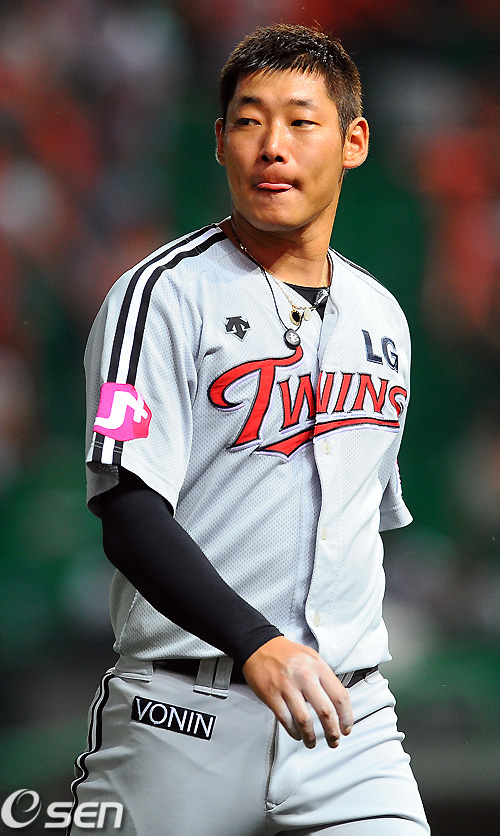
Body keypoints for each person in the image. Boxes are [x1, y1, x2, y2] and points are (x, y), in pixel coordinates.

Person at [71, 23, 430, 836]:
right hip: (181, 714)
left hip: (348, 717)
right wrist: (256, 641)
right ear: (220, 142)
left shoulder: (383, 317)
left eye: (301, 121)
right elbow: (127, 509)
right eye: (248, 120)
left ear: (354, 142)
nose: (273, 145)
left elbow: (356, 526)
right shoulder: (158, 297)